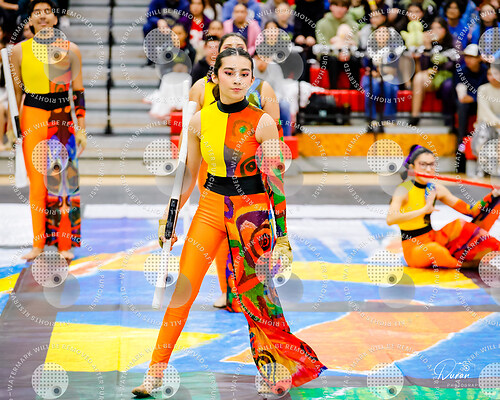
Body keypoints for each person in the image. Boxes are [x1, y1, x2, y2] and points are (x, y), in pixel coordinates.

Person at [132, 48, 326, 398]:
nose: (237, 80)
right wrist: (169, 216)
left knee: (257, 297)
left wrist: (282, 235)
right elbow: (188, 174)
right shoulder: (198, 120)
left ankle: (274, 367)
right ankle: (155, 372)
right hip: (209, 208)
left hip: (251, 214)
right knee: (183, 292)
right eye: (229, 72)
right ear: (215, 76)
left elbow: (275, 183)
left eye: (244, 74)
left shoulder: (263, 123)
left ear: (252, 78)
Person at [189, 32, 283, 309]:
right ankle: (226, 290)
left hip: (248, 170)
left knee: (245, 242)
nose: (234, 51)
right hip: (212, 167)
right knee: (217, 236)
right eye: (228, 48)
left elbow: (274, 134)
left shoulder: (263, 89)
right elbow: (193, 130)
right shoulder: (200, 87)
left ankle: (246, 293)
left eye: (239, 48)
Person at [10, 0, 86, 261]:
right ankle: (38, 243)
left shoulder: (71, 50)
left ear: (55, 18)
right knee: (37, 184)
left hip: (62, 118)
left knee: (63, 182)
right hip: (32, 116)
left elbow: (78, 92)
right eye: (37, 12)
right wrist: (13, 128)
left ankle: (65, 244)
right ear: (30, 19)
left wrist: (82, 128)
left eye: (47, 11)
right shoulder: (18, 51)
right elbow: (16, 94)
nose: (42, 16)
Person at [387, 145, 500, 268]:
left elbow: (471, 211)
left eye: (431, 165)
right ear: (412, 167)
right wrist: (424, 210)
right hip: (414, 248)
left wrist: (493, 195)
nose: (428, 169)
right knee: (435, 250)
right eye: (423, 165)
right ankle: (465, 265)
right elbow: (390, 219)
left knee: (459, 225)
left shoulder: (435, 189)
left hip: (433, 238)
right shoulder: (403, 190)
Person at [409, 17, 459, 127]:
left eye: (438, 28)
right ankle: (415, 115)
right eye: (432, 29)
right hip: (432, 77)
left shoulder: (453, 41)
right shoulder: (428, 43)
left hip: (447, 75)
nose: (434, 31)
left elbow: (451, 63)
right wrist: (427, 47)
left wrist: (436, 67)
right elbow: (423, 67)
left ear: (444, 30)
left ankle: (450, 119)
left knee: (447, 85)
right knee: (418, 77)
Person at [453, 43, 488, 172]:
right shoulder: (460, 71)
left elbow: (488, 92)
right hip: (465, 107)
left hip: (482, 105)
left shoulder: (486, 71)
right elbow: (457, 92)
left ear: (479, 58)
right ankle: (461, 144)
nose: (468, 60)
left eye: (472, 57)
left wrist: (473, 98)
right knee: (462, 106)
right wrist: (465, 97)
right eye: (466, 56)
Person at [315, 0, 359, 89]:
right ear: (331, 7)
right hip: (329, 56)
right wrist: (337, 54)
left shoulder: (352, 24)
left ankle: (355, 92)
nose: (339, 9)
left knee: (355, 60)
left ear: (347, 9)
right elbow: (322, 44)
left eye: (343, 6)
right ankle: (333, 91)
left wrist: (346, 52)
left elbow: (355, 43)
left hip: (347, 55)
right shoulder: (322, 23)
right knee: (332, 60)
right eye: (336, 5)